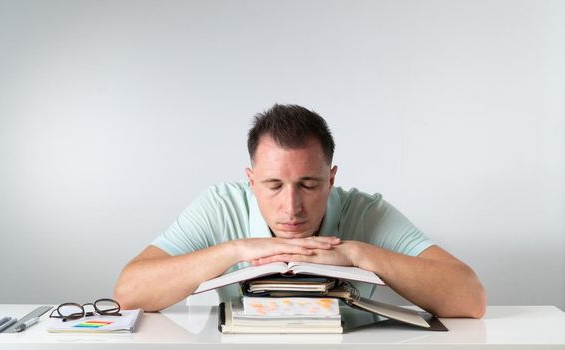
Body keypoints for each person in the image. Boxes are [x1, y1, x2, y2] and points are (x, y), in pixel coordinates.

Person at [114, 104, 486, 318]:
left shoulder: (365, 211)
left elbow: (470, 299)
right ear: (251, 181)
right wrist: (235, 250)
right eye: (273, 186)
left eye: (308, 185)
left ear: (331, 179)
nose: (291, 207)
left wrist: (357, 253)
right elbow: (129, 293)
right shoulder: (220, 205)